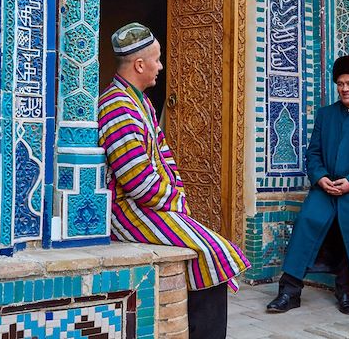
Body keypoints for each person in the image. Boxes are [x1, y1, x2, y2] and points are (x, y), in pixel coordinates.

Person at [97, 22, 250, 339]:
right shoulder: (116, 108)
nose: (161, 67)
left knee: (212, 250)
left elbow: (165, 157)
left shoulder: (141, 103)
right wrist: (174, 200)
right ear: (140, 64)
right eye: (157, 59)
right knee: (212, 251)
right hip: (126, 212)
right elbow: (137, 183)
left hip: (149, 205)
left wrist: (176, 196)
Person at [266, 55, 349, 315]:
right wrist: (320, 177)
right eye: (340, 84)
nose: (345, 89)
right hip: (326, 186)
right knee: (309, 217)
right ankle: (289, 290)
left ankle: (346, 289)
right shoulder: (326, 115)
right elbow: (313, 153)